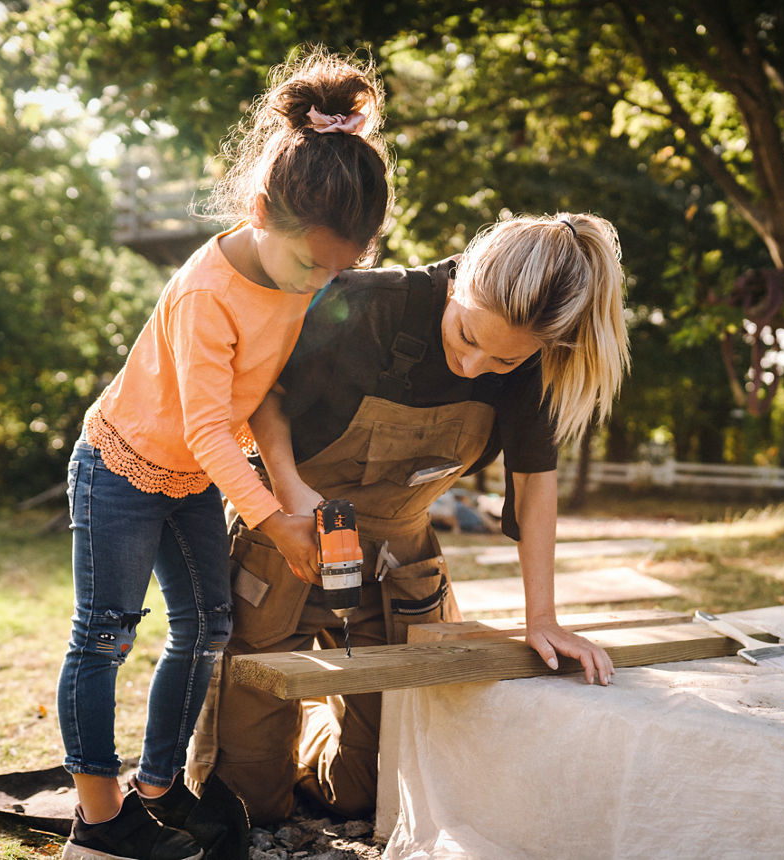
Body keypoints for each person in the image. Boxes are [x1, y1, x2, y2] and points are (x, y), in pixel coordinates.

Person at [187, 212, 631, 825]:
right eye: (467, 336)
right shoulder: (367, 305)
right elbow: (269, 396)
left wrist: (543, 618)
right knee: (244, 802)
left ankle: (315, 724)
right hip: (287, 538)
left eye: (502, 363)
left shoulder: (532, 361)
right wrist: (290, 498)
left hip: (401, 563)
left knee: (374, 791)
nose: (475, 366)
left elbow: (534, 485)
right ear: (461, 284)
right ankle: (266, 747)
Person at [57, 48, 391, 860]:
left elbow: (264, 401)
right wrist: (276, 524)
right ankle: (98, 823)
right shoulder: (209, 291)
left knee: (207, 627)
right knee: (105, 632)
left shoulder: (298, 282)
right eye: (314, 263)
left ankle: (160, 788)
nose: (323, 283)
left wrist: (291, 487)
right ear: (258, 210)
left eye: (342, 267)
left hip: (196, 478)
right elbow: (209, 429)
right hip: (122, 468)